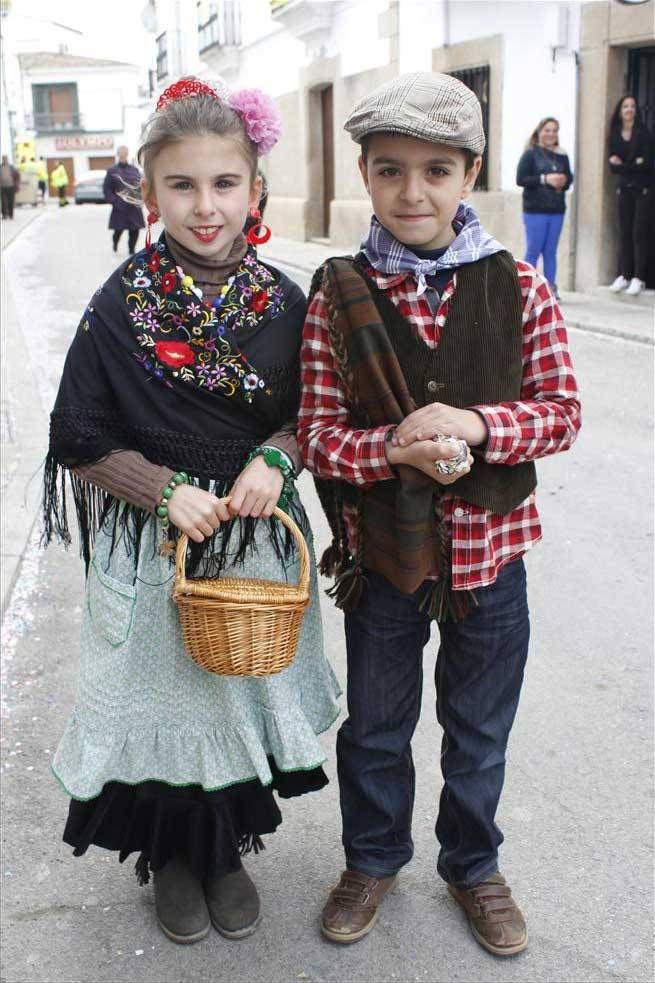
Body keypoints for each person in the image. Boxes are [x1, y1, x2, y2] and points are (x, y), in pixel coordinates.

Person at [42, 77, 340, 946]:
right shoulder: (118, 306)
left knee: (229, 703)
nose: (204, 207)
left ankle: (225, 853)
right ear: (148, 190)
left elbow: (315, 411)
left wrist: (275, 457)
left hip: (251, 548)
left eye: (223, 184)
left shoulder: (289, 304)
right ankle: (170, 858)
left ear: (254, 190)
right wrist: (164, 489)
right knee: (161, 707)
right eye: (181, 185)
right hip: (152, 548)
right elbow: (79, 431)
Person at [298, 72, 581, 957]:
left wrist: (475, 423)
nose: (411, 191)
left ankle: (472, 865)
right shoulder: (337, 290)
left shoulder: (519, 287)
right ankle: (372, 857)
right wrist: (388, 450)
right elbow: (315, 433)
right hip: (383, 558)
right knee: (377, 728)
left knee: (479, 730)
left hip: (492, 559)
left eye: (435, 170)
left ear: (469, 173)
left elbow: (561, 412)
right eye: (390, 170)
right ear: (365, 173)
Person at [516, 117, 573, 299]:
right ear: (539, 132)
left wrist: (563, 181)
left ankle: (550, 289)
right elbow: (521, 179)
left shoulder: (562, 154)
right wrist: (545, 179)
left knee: (550, 251)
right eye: (547, 130)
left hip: (556, 210)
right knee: (534, 249)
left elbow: (569, 178)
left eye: (554, 130)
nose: (551, 134)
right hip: (535, 210)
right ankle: (525, 289)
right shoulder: (531, 154)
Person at [606, 94, 654, 296]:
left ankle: (639, 277)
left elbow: (647, 165)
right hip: (624, 188)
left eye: (633, 106)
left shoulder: (644, 134)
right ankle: (625, 275)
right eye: (625, 106)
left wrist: (624, 166)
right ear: (620, 111)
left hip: (642, 189)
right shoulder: (615, 134)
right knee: (624, 231)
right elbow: (612, 166)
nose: (629, 109)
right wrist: (632, 166)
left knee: (639, 232)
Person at [103, 145, 145, 254]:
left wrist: (141, 199)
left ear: (127, 153)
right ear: (118, 154)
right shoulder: (112, 171)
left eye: (125, 151)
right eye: (121, 151)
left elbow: (140, 186)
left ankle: (131, 251)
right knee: (118, 231)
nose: (123, 153)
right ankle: (115, 244)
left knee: (134, 230)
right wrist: (115, 202)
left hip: (134, 207)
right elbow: (107, 189)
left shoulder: (134, 170)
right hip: (119, 207)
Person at [0, 155, 20, 219]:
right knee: (3, 201)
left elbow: (17, 175)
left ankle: (11, 214)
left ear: (7, 160)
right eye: (3, 159)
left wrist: (16, 184)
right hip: (3, 187)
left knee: (11, 201)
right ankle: (4, 215)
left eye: (5, 159)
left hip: (11, 186)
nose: (4, 160)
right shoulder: (0, 167)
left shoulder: (11, 167)